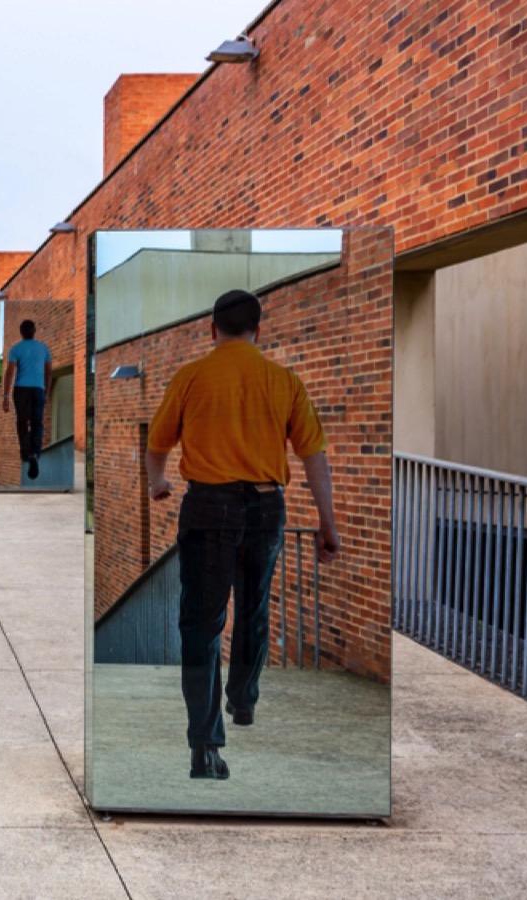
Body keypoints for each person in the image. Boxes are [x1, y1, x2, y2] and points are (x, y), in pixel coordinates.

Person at [144, 289, 340, 781]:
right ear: (260, 329)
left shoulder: (191, 377)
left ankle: (205, 747)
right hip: (267, 506)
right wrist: (327, 521)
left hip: (208, 507)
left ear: (212, 329)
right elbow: (313, 455)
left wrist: (157, 482)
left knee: (202, 625)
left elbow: (156, 443)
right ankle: (244, 700)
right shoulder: (284, 381)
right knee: (253, 607)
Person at [1, 319, 52, 481]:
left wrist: (6, 396)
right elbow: (49, 372)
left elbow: (9, 372)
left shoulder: (16, 349)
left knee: (22, 422)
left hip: (21, 390)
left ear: (21, 333)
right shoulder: (44, 349)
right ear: (34, 331)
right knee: (37, 423)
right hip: (38, 389)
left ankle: (25, 453)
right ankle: (35, 453)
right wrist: (46, 391)